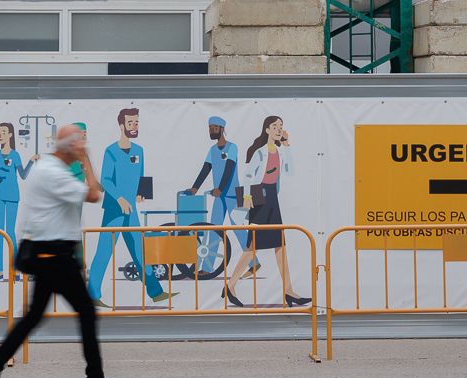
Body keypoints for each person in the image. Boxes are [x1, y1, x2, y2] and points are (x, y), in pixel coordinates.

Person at [0, 124, 131, 378]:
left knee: (34, 316)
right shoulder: (55, 174)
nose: (83, 145)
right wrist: (85, 160)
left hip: (47, 252)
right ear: (70, 146)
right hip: (55, 255)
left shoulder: (45, 168)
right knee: (85, 311)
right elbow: (94, 194)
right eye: (80, 142)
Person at [87, 108, 174, 306]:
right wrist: (119, 198)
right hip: (114, 211)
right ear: (121, 125)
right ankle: (92, 295)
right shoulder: (111, 151)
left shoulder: (139, 151)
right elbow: (107, 180)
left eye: (136, 122)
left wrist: (139, 193)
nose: (134, 126)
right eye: (130, 122)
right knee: (104, 251)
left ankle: (156, 292)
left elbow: (140, 177)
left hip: (131, 210)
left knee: (139, 251)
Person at [223, 115, 310, 307]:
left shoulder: (279, 151)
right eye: (275, 126)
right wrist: (247, 199)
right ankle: (230, 285)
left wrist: (287, 146)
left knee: (280, 244)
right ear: (267, 130)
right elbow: (247, 175)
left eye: (281, 126)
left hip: (272, 197)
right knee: (253, 246)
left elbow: (289, 171)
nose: (279, 129)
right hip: (258, 196)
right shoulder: (260, 153)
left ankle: (288, 291)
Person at [187, 115, 249, 272]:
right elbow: (205, 169)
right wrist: (195, 188)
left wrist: (220, 188)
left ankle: (253, 263)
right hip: (219, 198)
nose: (211, 131)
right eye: (209, 128)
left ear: (221, 129)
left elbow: (229, 169)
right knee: (214, 230)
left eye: (214, 128)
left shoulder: (232, 147)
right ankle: (207, 267)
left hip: (233, 195)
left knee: (239, 230)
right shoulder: (212, 150)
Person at [0, 122, 35, 282]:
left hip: (12, 194)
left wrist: (31, 161)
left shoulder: (15, 155)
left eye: (3, 131)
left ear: (10, 135)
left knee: (10, 231)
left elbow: (23, 175)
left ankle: (15, 271)